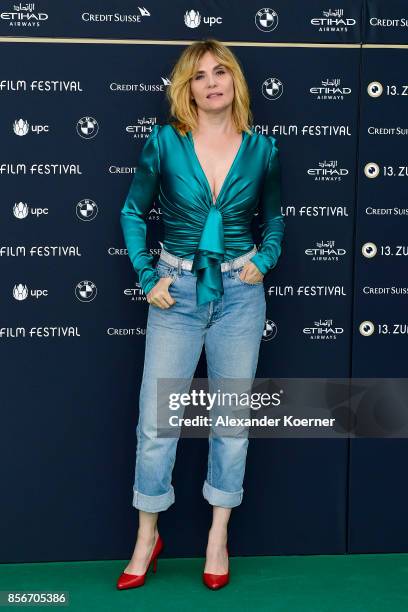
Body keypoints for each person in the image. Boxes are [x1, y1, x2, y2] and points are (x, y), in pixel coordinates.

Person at [117, 38, 285, 591]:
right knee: (156, 425)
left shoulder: (262, 149)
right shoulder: (165, 143)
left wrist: (264, 257)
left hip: (239, 293)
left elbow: (276, 219)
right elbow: (133, 210)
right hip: (177, 295)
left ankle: (218, 536)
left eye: (221, 71)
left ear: (235, 80)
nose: (212, 82)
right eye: (199, 75)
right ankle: (147, 536)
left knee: (231, 426)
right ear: (185, 88)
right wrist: (148, 276)